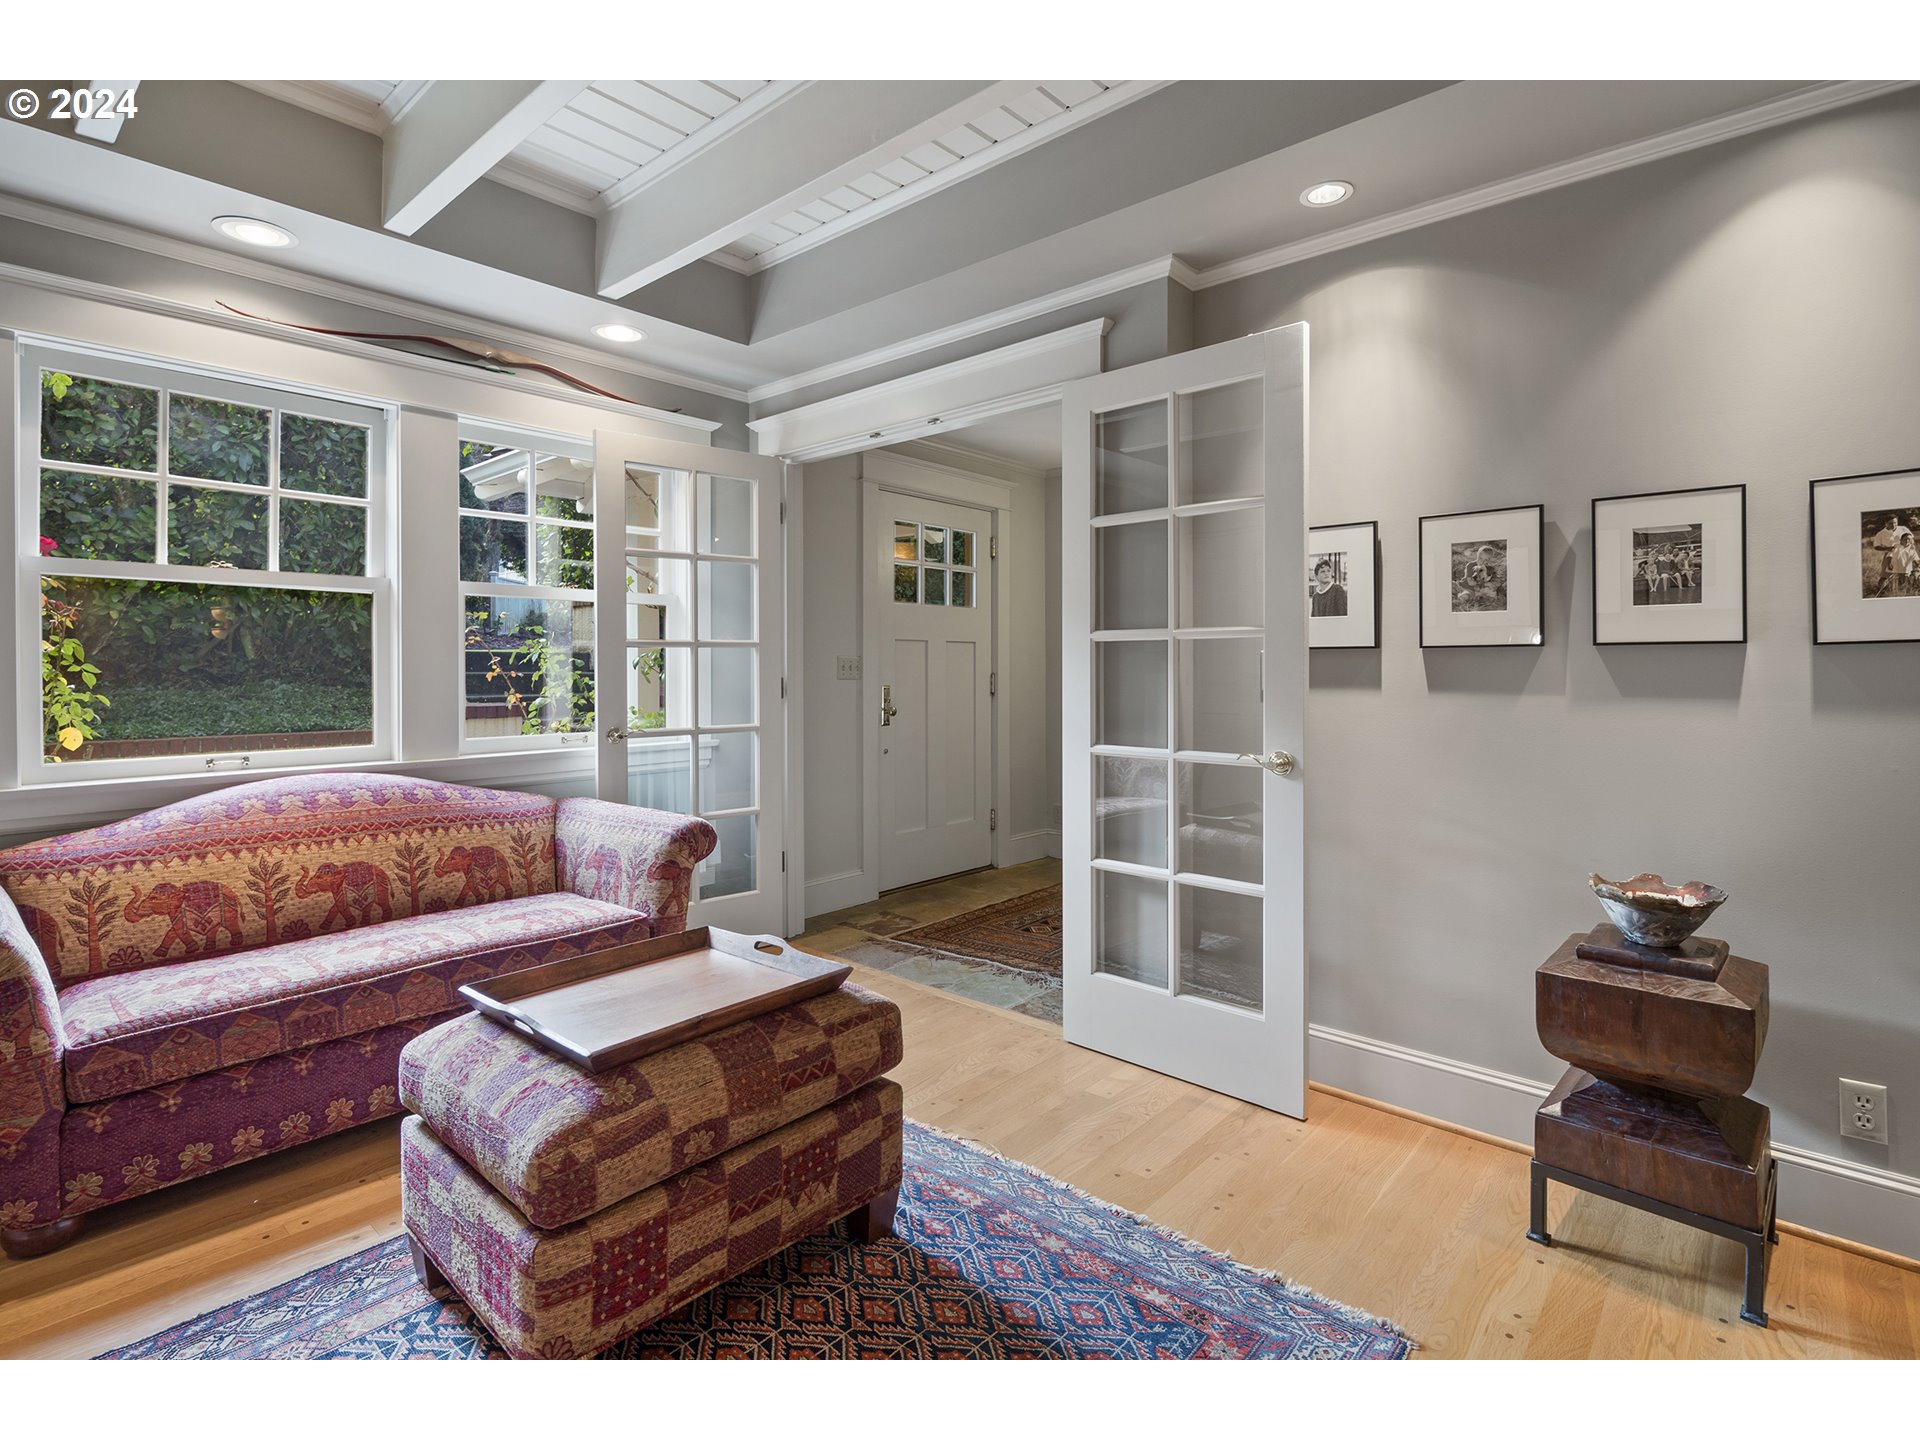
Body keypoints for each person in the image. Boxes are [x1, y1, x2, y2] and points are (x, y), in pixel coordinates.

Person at [1869, 514, 1912, 597]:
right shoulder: (1881, 533)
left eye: (1895, 522)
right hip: (1889, 555)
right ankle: (1879, 592)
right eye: (1891, 523)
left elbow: (1911, 539)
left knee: (1904, 574)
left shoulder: (1903, 529)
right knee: (1884, 575)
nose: (1893, 525)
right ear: (1886, 523)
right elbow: (1876, 546)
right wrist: (1887, 548)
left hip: (1903, 554)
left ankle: (1902, 592)